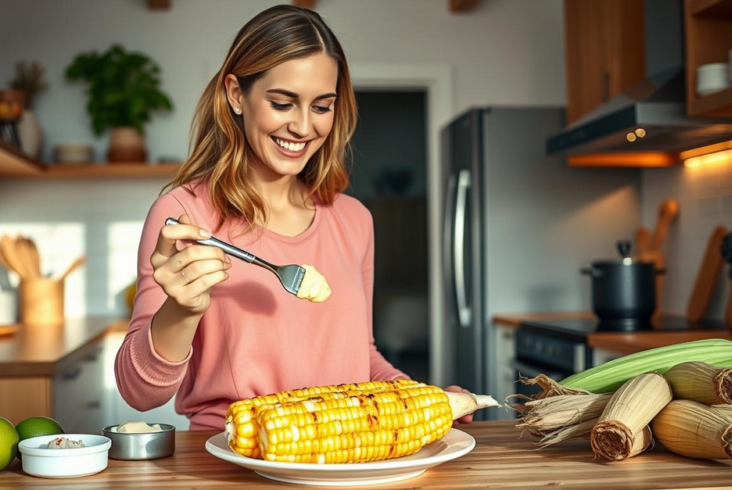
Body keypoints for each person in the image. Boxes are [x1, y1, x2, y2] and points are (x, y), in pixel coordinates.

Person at [115, 4, 471, 431]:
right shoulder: (184, 215)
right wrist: (181, 310)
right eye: (283, 103)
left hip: (342, 458)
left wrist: (423, 402)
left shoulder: (353, 219)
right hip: (226, 463)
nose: (303, 127)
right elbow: (139, 393)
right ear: (235, 95)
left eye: (322, 107)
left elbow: (361, 356)